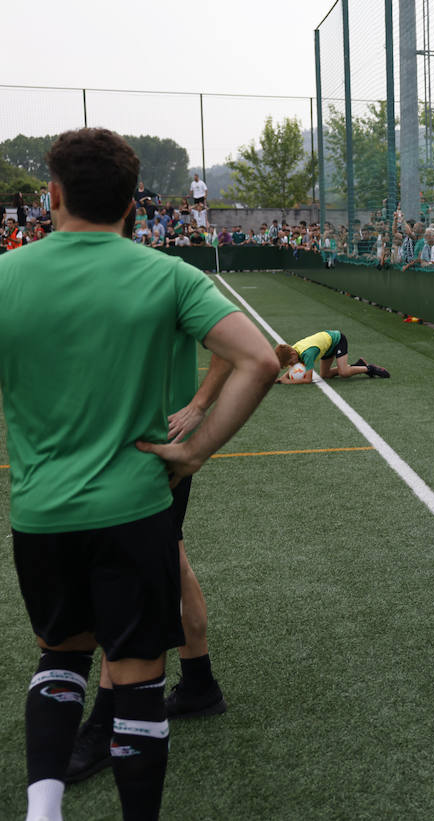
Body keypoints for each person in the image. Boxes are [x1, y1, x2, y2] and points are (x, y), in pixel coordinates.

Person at [0, 127, 278, 821]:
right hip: (137, 509)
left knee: (60, 657)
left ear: (53, 196)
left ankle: (42, 808)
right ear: (134, 205)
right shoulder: (169, 274)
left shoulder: (6, 276)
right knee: (136, 678)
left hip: (41, 513)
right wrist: (196, 450)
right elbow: (262, 360)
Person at [274, 330, 390, 383]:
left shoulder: (307, 354)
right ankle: (357, 365)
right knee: (326, 375)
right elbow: (295, 363)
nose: (291, 366)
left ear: (293, 354)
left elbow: (308, 379)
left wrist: (288, 381)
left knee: (343, 373)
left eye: (290, 363)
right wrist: (282, 378)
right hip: (326, 348)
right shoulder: (293, 350)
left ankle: (370, 368)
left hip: (337, 340)